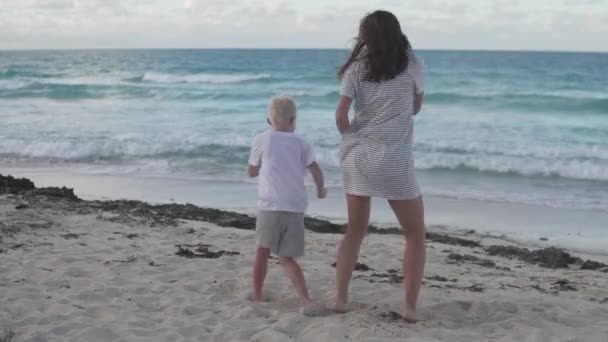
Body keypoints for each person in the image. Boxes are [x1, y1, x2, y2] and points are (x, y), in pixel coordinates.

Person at [333, 10, 426, 322]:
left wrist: (352, 137)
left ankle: (340, 299)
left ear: (366, 38)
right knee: (414, 235)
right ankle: (410, 308)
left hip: (359, 158)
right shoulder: (411, 63)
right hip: (395, 161)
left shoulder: (356, 69)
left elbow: (340, 116)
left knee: (355, 231)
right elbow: (417, 106)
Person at [248, 95, 327, 308]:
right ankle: (305, 299)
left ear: (268, 121)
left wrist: (259, 168)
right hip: (294, 207)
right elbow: (317, 172)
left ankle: (256, 295)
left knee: (262, 252)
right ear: (293, 120)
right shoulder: (302, 142)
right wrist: (321, 190)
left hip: (269, 206)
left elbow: (251, 171)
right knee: (286, 258)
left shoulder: (261, 139)